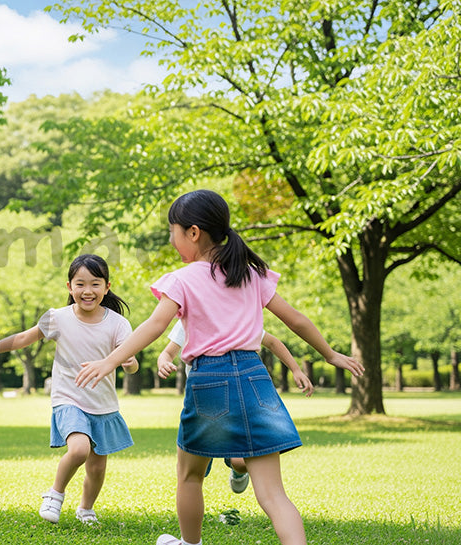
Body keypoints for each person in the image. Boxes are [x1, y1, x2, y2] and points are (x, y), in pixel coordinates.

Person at [75, 189, 364, 545]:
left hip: (210, 380)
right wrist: (330, 354)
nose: (172, 239)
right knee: (273, 494)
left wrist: (109, 360)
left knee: (190, 476)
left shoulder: (181, 279)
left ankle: (190, 544)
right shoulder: (250, 273)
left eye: (173, 231)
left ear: (193, 232)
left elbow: (154, 327)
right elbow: (297, 320)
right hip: (255, 376)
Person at [0, 254, 138, 526]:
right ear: (69, 287)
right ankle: (55, 494)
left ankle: (86, 509)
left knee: (97, 467)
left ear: (107, 287)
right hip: (69, 399)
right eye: (80, 284)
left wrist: (131, 363)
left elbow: (131, 367)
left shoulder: (118, 324)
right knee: (79, 449)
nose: (87, 291)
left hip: (103, 404)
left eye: (95, 284)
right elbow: (22, 339)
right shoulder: (58, 318)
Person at [158, 321, 314, 495]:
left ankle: (238, 471)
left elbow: (271, 342)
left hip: (239, 394)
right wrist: (163, 362)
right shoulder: (188, 318)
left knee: (240, 463)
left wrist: (296, 370)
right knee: (193, 468)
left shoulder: (237, 314)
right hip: (205, 399)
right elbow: (168, 351)